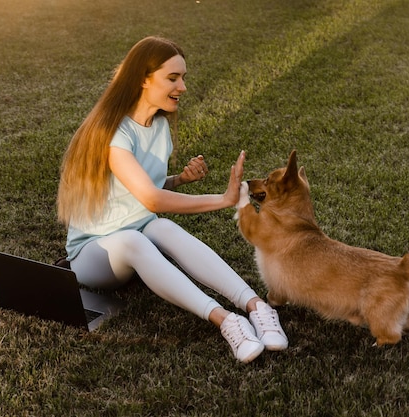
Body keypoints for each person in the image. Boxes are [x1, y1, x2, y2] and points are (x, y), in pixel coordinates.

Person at [57, 36, 287, 363]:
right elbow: (150, 198)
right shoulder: (113, 134)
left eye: (183, 78)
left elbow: (136, 187)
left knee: (161, 228)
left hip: (138, 232)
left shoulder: (159, 126)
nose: (183, 86)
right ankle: (227, 321)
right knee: (135, 239)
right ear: (143, 79)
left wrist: (179, 180)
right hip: (95, 254)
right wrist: (224, 199)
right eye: (173, 78)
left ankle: (257, 308)